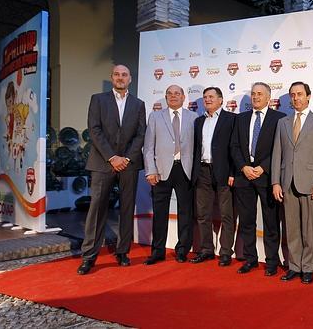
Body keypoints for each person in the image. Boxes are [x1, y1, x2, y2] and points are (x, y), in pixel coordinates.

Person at [77, 64, 146, 275]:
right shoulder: (98, 99)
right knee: (97, 209)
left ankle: (122, 251)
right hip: (102, 163)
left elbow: (140, 134)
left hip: (129, 164)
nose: (120, 78)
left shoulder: (138, 104)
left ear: (130, 79)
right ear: (111, 78)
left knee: (126, 208)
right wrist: (112, 157)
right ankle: (89, 256)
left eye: (124, 75)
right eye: (117, 74)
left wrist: (125, 158)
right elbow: (94, 130)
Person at [271, 82, 313, 284]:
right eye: (292, 95)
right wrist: (275, 182)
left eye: (300, 94)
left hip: (311, 183)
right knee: (292, 228)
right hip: (287, 182)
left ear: (309, 96)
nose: (296, 98)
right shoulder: (283, 123)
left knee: (310, 229)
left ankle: (308, 268)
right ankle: (294, 266)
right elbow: (277, 154)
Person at [230, 82, 286, 276]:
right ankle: (250, 259)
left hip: (267, 177)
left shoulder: (279, 119)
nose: (255, 97)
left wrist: (263, 167)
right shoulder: (241, 119)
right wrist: (243, 167)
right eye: (253, 94)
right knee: (246, 221)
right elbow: (234, 146)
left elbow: (280, 149)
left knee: (271, 222)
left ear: (268, 98)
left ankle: (272, 261)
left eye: (260, 94)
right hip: (244, 177)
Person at [143, 84, 197, 265]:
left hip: (185, 170)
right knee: (159, 213)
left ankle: (182, 250)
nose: (173, 96)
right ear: (165, 97)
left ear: (183, 97)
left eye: (177, 93)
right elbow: (148, 147)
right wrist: (150, 170)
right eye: (169, 94)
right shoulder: (155, 116)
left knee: (186, 213)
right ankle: (157, 252)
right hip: (160, 171)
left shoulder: (194, 117)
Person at [191, 87, 236, 266]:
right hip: (202, 172)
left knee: (226, 214)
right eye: (204, 97)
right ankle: (206, 250)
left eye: (211, 97)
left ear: (221, 100)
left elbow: (235, 147)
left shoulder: (231, 119)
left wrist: (233, 172)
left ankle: (225, 252)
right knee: (203, 214)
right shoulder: (199, 121)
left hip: (224, 172)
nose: (207, 100)